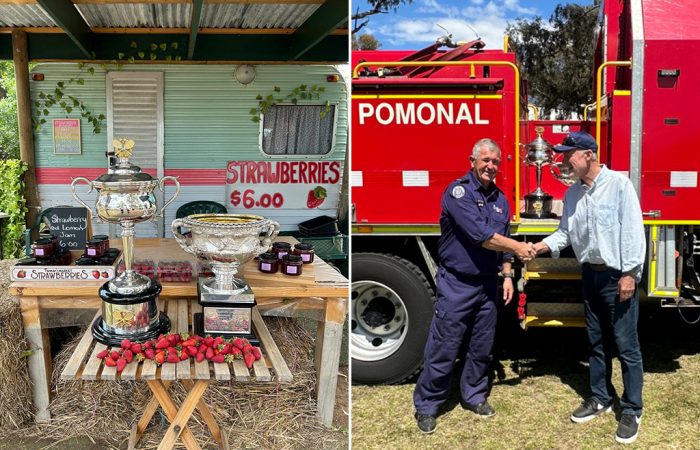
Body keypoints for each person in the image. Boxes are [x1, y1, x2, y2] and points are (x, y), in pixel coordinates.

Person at [413, 138, 536, 433]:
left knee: (482, 345)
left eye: (495, 162)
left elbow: (501, 243)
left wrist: (507, 274)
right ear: (473, 162)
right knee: (445, 345)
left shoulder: (501, 200)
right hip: (457, 282)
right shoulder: (458, 193)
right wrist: (520, 248)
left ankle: (474, 395)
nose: (491, 166)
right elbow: (482, 235)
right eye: (485, 160)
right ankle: (428, 405)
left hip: (487, 284)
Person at [532, 131, 645, 444]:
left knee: (626, 344)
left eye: (570, 154)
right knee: (595, 342)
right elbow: (564, 235)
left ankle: (633, 408)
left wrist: (630, 274)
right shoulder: (572, 195)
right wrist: (538, 247)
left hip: (615, 277)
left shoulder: (620, 186)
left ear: (589, 155)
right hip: (590, 277)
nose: (565, 160)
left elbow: (634, 232)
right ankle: (601, 398)